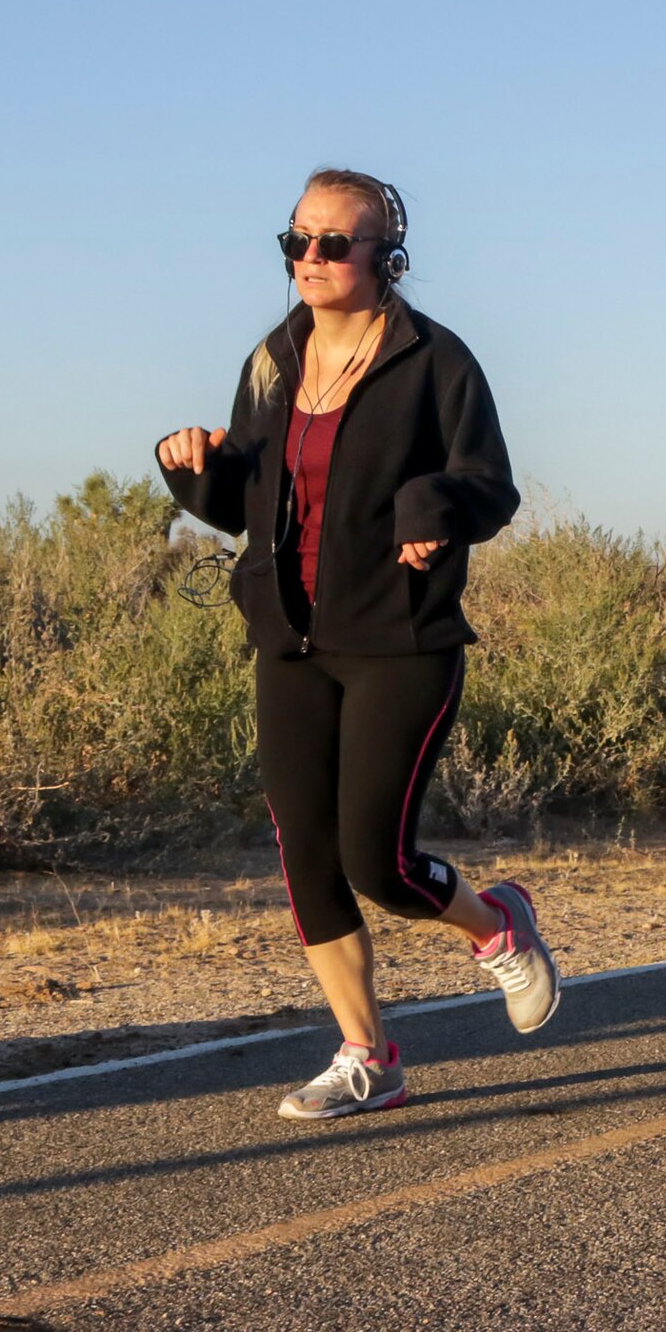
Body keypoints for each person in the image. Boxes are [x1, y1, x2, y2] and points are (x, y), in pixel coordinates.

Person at [157, 168, 557, 1120]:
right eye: (298, 240)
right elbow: (246, 504)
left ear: (388, 255)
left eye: (336, 243)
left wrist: (433, 507)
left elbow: (488, 487)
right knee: (306, 853)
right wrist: (190, 470)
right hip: (288, 639)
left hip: (400, 639)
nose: (312, 259)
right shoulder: (271, 360)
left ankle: (496, 924)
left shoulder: (435, 360)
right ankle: (367, 1054)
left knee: (378, 861)